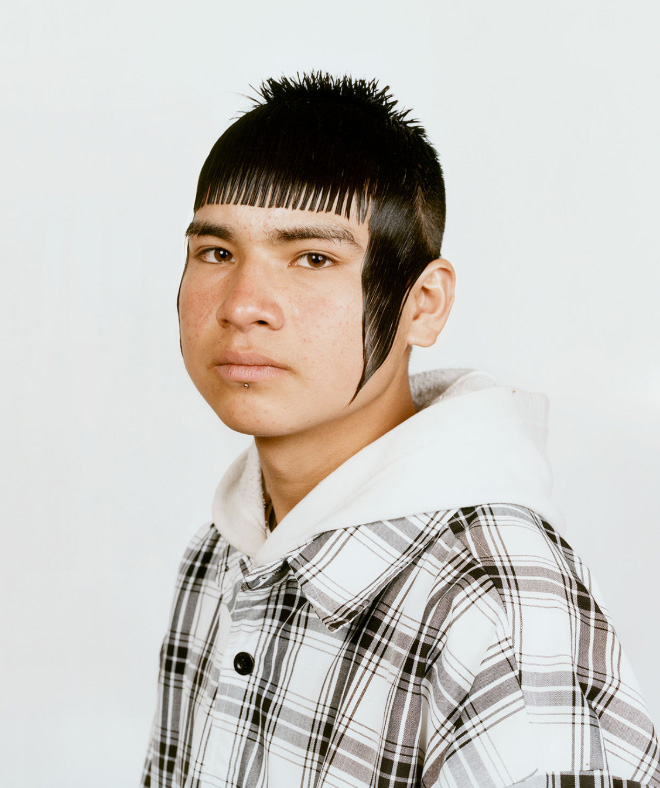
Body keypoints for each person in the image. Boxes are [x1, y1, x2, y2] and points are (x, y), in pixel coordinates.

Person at [141, 72, 660, 788]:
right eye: (217, 253)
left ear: (424, 303)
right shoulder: (218, 557)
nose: (243, 306)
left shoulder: (495, 607)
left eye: (313, 258)